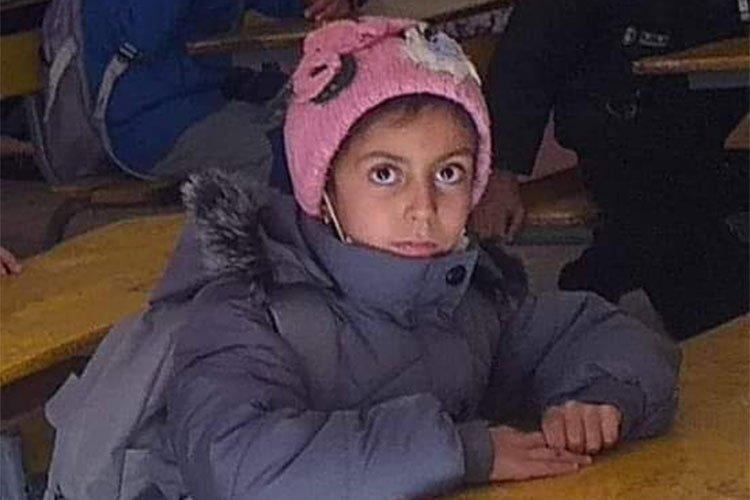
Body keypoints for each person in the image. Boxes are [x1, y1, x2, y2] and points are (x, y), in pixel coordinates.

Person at [43, 19, 680, 499]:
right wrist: (463, 451)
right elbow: (240, 467)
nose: (422, 208)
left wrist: (599, 399)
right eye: (384, 174)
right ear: (321, 186)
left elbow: (597, 332)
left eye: (450, 173)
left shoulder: (461, 295)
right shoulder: (250, 312)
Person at [482, 0, 749, 338]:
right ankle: (604, 274)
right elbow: (530, 53)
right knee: (713, 300)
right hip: (622, 141)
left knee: (699, 238)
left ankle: (607, 265)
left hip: (699, 143)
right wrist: (499, 172)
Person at [83, 0, 358, 182]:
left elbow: (283, 4)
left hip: (214, 92)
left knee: (339, 105)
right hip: (147, 122)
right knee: (290, 154)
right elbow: (139, 38)